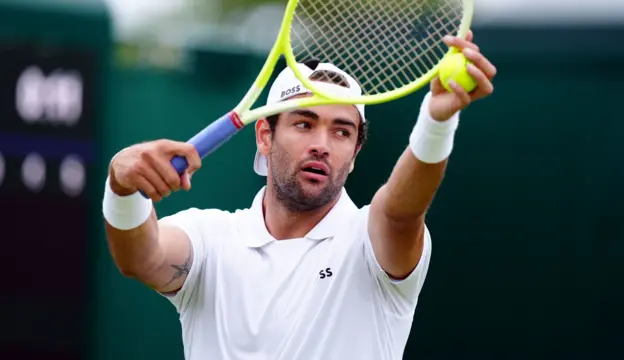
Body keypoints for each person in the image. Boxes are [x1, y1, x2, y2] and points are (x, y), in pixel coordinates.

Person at [102, 31, 496, 360]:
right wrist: (121, 186)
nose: (322, 144)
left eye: (341, 131)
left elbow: (400, 212)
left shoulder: (370, 241)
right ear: (265, 136)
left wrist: (436, 122)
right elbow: (140, 257)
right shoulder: (209, 238)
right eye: (304, 124)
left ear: (356, 152)